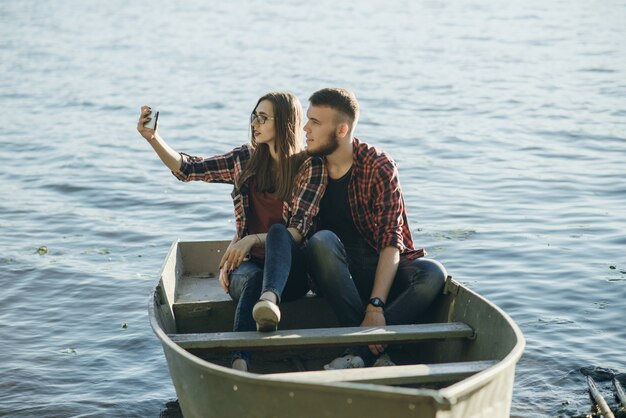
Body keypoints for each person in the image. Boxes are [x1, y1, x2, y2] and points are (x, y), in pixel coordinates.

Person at [136, 92, 326, 372]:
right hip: (247, 269)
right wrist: (153, 138)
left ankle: (268, 302)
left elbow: (297, 231)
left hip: (292, 274)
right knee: (254, 279)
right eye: (254, 116)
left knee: (278, 232)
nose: (255, 123)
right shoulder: (245, 159)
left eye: (263, 117)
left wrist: (248, 240)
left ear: (286, 122)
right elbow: (189, 169)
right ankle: (240, 361)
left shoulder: (309, 166)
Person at [303, 88, 447, 370]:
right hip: (333, 274)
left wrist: (376, 305)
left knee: (432, 274)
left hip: (379, 269)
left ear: (342, 129)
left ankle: (359, 352)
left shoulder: (378, 166)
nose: (305, 129)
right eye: (307, 120)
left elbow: (391, 242)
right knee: (321, 241)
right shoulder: (308, 166)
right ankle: (372, 351)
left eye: (315, 123)